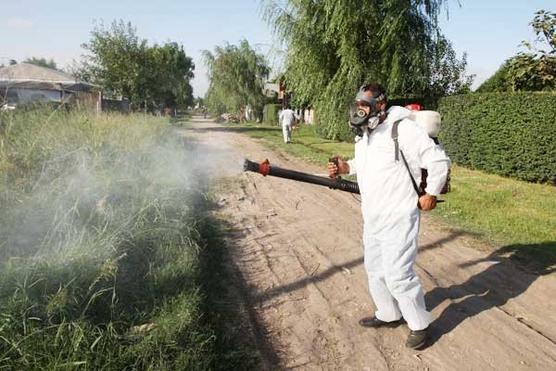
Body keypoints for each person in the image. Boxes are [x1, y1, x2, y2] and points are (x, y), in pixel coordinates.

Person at [327, 83, 450, 349]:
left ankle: (420, 324)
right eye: (358, 105)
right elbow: (365, 164)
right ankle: (389, 313)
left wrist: (430, 192)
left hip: (399, 215)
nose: (360, 111)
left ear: (380, 105)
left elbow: (438, 160)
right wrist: (345, 167)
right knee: (375, 270)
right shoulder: (364, 134)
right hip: (372, 215)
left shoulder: (402, 129)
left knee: (398, 274)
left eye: (365, 106)